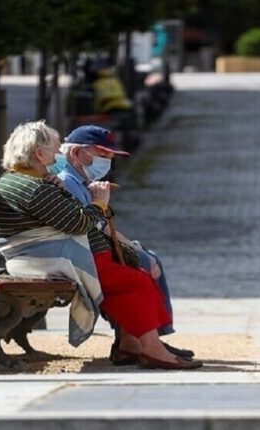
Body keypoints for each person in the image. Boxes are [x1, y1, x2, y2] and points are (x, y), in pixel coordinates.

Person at [0, 120, 202, 370]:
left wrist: (57, 188)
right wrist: (100, 202)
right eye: (55, 152)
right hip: (54, 260)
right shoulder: (34, 188)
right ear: (39, 153)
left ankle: (132, 345)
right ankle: (153, 349)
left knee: (131, 277)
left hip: (45, 256)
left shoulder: (21, 181)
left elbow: (66, 216)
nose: (57, 158)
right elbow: (78, 224)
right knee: (137, 281)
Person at [54, 125, 194, 364]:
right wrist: (101, 203)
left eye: (110, 156)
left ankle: (142, 339)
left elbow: (102, 227)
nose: (107, 162)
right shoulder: (69, 182)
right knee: (143, 265)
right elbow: (93, 226)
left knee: (147, 258)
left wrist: (134, 247)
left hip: (89, 251)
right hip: (83, 257)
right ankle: (144, 340)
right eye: (102, 154)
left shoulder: (83, 180)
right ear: (76, 153)